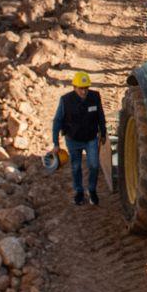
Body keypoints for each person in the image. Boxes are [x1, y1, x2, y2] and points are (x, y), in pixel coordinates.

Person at [52, 71, 105, 205]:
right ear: (74, 87)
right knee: (76, 167)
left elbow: (100, 116)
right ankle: (79, 192)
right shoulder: (65, 100)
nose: (84, 91)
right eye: (81, 88)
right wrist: (55, 143)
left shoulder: (95, 97)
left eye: (86, 88)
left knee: (94, 165)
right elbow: (57, 121)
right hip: (73, 140)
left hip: (91, 139)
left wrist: (103, 133)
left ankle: (92, 190)